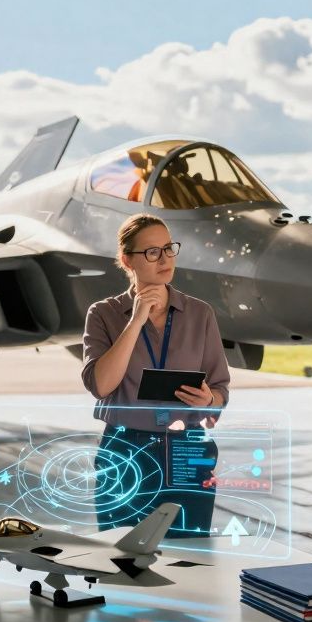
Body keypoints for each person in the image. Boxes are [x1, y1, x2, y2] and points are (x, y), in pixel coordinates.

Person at [80, 213, 230, 537]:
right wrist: (135, 322)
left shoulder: (200, 313)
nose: (164, 259)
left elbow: (220, 389)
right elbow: (101, 385)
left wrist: (209, 399)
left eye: (168, 248)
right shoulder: (104, 314)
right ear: (127, 260)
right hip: (125, 449)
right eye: (151, 252)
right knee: (119, 559)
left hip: (187, 447)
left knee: (190, 559)